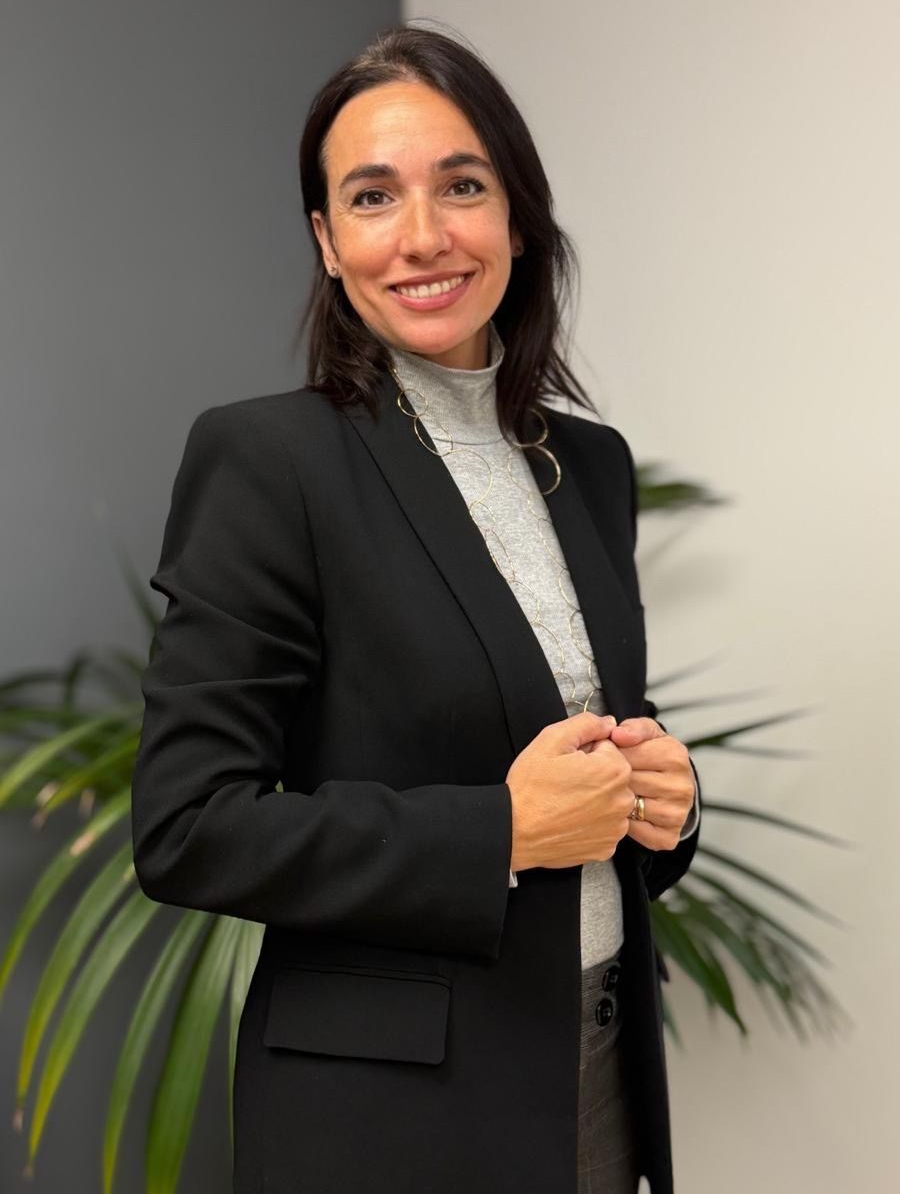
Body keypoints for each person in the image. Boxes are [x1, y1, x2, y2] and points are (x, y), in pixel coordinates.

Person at [130, 23, 701, 1194]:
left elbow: (582, 774)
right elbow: (187, 826)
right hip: (392, 1124)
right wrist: (500, 833)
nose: (426, 235)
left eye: (464, 185)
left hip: (596, 1078)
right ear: (327, 242)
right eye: (374, 196)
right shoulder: (268, 460)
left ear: (518, 217)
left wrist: (663, 806)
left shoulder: (588, 465)